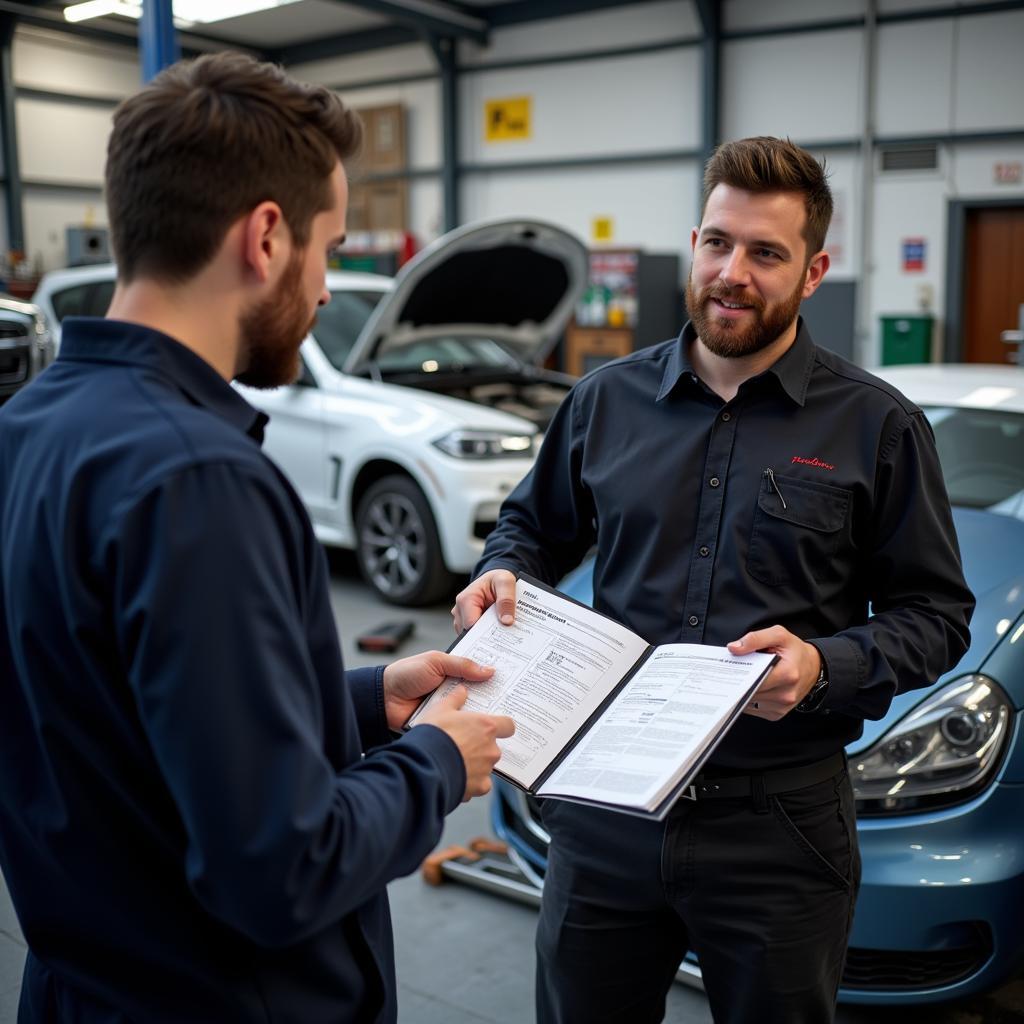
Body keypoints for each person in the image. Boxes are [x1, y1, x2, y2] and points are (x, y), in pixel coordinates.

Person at [0, 52, 514, 1024]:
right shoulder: (199, 477)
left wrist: (361, 700)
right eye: (329, 246)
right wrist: (438, 762)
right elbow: (278, 868)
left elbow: (119, 715)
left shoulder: (28, 427)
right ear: (266, 236)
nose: (325, 288)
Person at [453, 136, 974, 1024]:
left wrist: (822, 664)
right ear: (695, 241)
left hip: (780, 825)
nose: (733, 273)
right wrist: (503, 572)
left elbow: (937, 616)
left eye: (766, 253)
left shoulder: (877, 425)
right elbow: (531, 529)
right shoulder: (604, 401)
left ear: (813, 273)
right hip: (605, 806)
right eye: (718, 244)